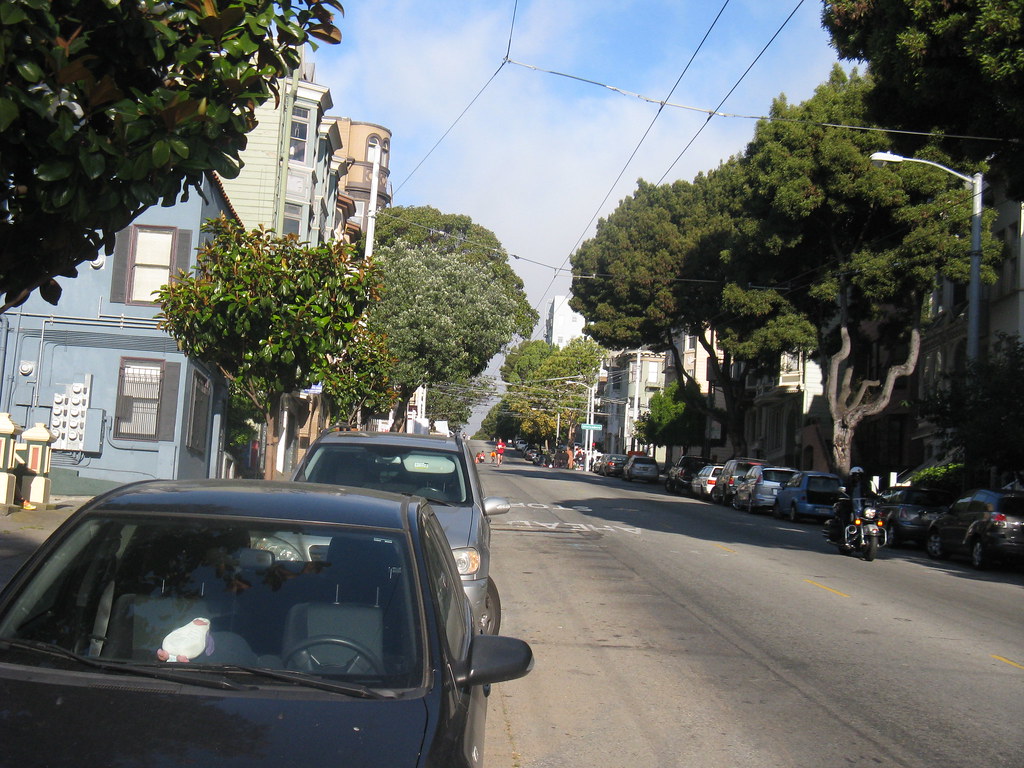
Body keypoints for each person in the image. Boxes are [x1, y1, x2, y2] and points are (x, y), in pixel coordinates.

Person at [829, 466, 867, 542]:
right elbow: (842, 492)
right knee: (845, 517)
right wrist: (842, 496)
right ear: (852, 476)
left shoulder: (864, 485)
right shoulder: (847, 484)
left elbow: (869, 492)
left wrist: (877, 497)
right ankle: (844, 536)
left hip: (859, 506)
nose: (857, 477)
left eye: (859, 475)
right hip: (848, 505)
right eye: (856, 475)